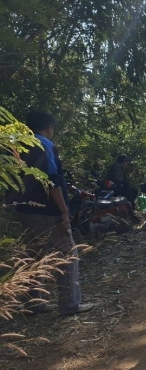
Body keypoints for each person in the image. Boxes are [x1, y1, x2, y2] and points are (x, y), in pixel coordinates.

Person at [11, 110, 94, 316]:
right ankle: (70, 305)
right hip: (46, 211)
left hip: (22, 208)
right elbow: (51, 179)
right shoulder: (44, 144)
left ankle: (32, 303)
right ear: (49, 127)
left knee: (34, 255)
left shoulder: (18, 144)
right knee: (67, 255)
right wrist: (64, 211)